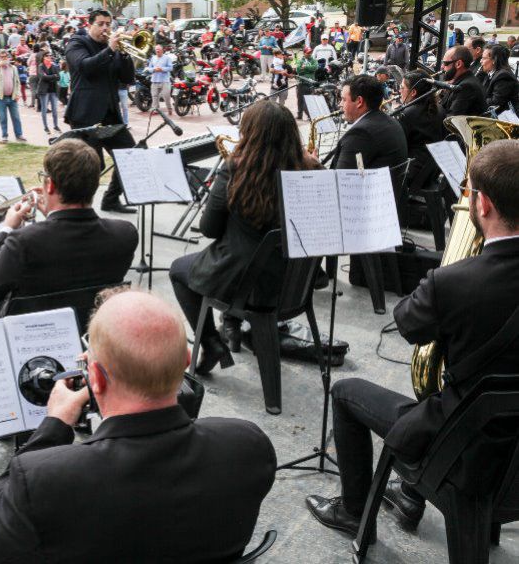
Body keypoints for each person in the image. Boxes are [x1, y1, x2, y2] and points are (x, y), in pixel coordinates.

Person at [0, 289, 276, 563]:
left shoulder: (43, 479)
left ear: (95, 377)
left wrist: (53, 426)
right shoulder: (248, 444)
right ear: (185, 361)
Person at [306, 139, 519, 538]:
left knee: (346, 392)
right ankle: (409, 495)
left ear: (484, 204)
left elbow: (407, 323)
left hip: (463, 448)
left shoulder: (454, 282)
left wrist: (446, 278)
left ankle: (355, 513)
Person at [170, 101, 321, 373]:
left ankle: (212, 343)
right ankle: (229, 327)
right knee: (234, 259)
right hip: (293, 284)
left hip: (248, 287)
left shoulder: (234, 168)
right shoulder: (310, 169)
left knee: (180, 270)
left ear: (249, 133)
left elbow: (209, 229)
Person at [0, 139, 137, 316]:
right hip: (93, 330)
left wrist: (6, 229)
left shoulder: (23, 240)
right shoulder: (125, 233)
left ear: (50, 185)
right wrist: (53, 218)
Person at [64, 9, 137, 214]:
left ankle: (111, 200)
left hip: (110, 116)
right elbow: (86, 67)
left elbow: (127, 78)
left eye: (108, 24)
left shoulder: (113, 48)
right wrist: (111, 50)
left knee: (132, 155)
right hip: (86, 115)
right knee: (90, 167)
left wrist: (123, 54)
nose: (105, 28)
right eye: (101, 24)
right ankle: (78, 211)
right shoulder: (77, 43)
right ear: (90, 25)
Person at [328, 75, 408, 173]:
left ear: (359, 101)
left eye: (344, 100)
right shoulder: (391, 122)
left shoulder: (360, 134)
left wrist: (313, 165)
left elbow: (340, 180)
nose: (340, 104)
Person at [395, 71, 445, 206]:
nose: (399, 91)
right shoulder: (439, 109)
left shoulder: (408, 114)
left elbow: (398, 147)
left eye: (402, 88)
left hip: (413, 172)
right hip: (430, 170)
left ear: (413, 92)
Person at [439, 45, 487, 117]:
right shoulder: (464, 80)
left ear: (458, 64)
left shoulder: (466, 86)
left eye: (445, 63)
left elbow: (451, 119)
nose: (442, 67)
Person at [0, 50, 26, 143]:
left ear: (8, 57)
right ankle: (4, 135)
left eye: (5, 56)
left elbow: (17, 82)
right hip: (0, 98)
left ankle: (19, 134)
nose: (4, 58)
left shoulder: (13, 68)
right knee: (3, 118)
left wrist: (18, 93)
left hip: (12, 97)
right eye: (1, 57)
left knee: (16, 117)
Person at [481, 44, 519, 115]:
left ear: (494, 60)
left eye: (484, 58)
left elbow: (496, 102)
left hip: (506, 120)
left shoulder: (503, 76)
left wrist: (477, 101)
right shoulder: (492, 73)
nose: (481, 61)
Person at [37, 52, 60, 134]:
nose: (49, 57)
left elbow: (58, 77)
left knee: (55, 110)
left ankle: (56, 126)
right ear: (44, 57)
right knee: (44, 109)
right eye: (47, 56)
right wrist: (53, 76)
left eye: (50, 56)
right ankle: (46, 127)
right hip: (44, 91)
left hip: (53, 90)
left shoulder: (54, 66)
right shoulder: (41, 66)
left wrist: (49, 77)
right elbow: (42, 77)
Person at [147, 43, 173, 115]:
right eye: (156, 50)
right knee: (154, 96)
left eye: (159, 49)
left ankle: (169, 109)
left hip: (164, 81)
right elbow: (149, 68)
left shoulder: (167, 58)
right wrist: (154, 69)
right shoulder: (153, 58)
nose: (157, 51)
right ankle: (155, 109)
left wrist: (162, 69)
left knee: (166, 96)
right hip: (154, 80)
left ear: (162, 50)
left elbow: (170, 68)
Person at [295, 47, 318, 120]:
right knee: (300, 100)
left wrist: (305, 67)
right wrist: (309, 69)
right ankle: (299, 114)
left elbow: (315, 68)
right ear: (304, 53)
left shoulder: (313, 60)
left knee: (309, 100)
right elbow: (298, 70)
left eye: (310, 52)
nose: (309, 54)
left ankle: (310, 115)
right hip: (301, 83)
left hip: (310, 83)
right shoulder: (300, 60)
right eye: (307, 53)